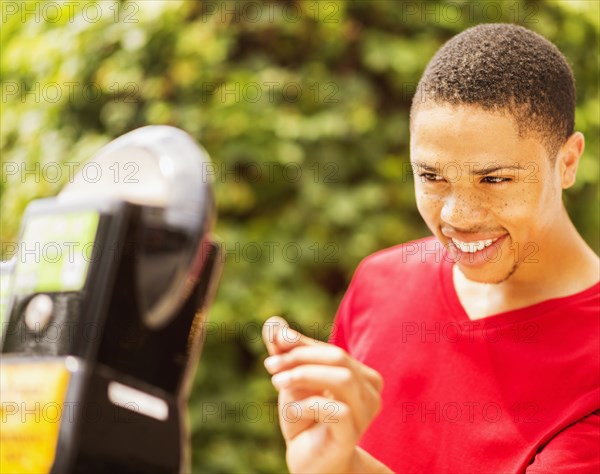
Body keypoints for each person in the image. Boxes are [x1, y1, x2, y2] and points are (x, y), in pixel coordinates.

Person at [262, 23, 600, 473]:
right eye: (432, 177)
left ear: (567, 163)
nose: (458, 216)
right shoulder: (379, 282)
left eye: (495, 179)